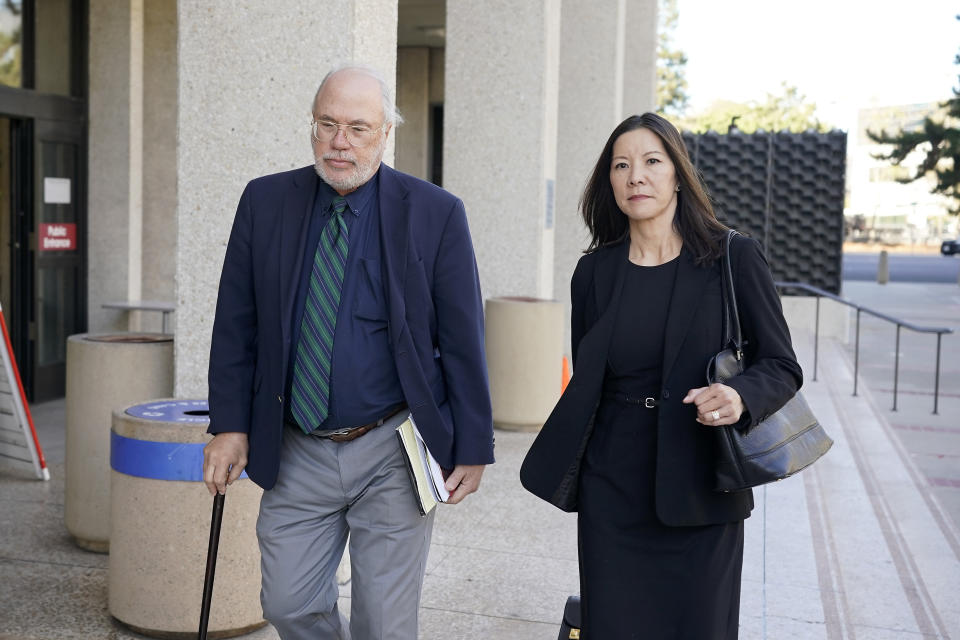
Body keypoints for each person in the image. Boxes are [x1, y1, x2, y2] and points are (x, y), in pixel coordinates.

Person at [202, 64, 494, 640]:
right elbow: (236, 323)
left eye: (358, 128)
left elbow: (463, 338)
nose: (341, 142)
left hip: (393, 446)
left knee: (384, 624)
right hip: (294, 446)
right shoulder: (265, 202)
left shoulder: (435, 213)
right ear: (312, 128)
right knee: (288, 604)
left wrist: (473, 443)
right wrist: (230, 425)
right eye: (328, 124)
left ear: (386, 132)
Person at [520, 112, 802, 639]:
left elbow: (782, 365)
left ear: (678, 174)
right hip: (612, 493)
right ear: (610, 181)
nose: (636, 177)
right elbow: (590, 378)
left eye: (652, 162)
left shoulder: (731, 257)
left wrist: (739, 396)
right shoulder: (594, 271)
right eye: (621, 165)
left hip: (702, 489)